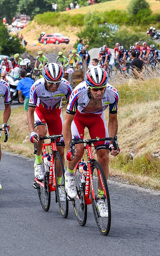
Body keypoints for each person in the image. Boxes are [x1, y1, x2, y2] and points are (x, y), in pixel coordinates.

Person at [63, 66, 119, 215]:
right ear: (88, 87)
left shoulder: (113, 94)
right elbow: (68, 122)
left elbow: (113, 120)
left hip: (97, 119)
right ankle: (69, 174)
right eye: (95, 89)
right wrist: (69, 148)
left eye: (101, 88)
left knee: (104, 156)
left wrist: (113, 142)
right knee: (79, 149)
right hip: (78, 119)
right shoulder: (78, 93)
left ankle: (101, 198)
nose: (99, 92)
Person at [27, 63, 72, 180]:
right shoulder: (36, 87)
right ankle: (38, 162)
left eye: (57, 82)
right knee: (41, 133)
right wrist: (32, 131)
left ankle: (60, 184)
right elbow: (30, 111)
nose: (54, 85)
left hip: (55, 114)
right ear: (44, 79)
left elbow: (73, 109)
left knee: (61, 151)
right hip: (40, 112)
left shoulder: (66, 86)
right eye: (51, 83)